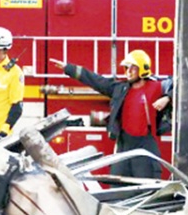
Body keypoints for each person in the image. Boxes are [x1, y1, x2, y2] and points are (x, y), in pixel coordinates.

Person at [50, 50, 171, 178]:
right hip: (123, 145)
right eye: (126, 68)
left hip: (145, 146)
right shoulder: (120, 88)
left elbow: (182, 86)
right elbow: (96, 80)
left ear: (143, 69)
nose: (128, 72)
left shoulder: (157, 87)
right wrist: (68, 68)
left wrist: (167, 98)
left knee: (147, 187)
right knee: (118, 185)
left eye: (132, 68)